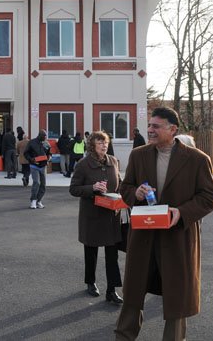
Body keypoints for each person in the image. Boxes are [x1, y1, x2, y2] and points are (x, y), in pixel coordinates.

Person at [115, 107, 213, 341]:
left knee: (177, 298)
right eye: (149, 125)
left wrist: (180, 213)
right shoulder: (138, 155)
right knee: (133, 293)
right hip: (143, 236)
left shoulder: (197, 160)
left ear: (173, 129)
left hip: (177, 238)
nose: (150, 130)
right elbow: (125, 188)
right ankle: (123, 336)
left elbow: (209, 198)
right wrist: (136, 193)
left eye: (156, 126)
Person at [69, 131, 124, 306]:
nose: (104, 145)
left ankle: (111, 290)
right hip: (92, 215)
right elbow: (74, 189)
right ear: (92, 145)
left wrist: (122, 194)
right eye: (100, 142)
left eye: (106, 142)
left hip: (111, 216)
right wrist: (92, 188)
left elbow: (120, 182)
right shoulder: (83, 164)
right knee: (91, 252)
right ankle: (91, 282)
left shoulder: (113, 161)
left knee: (112, 255)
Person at [24, 129, 51, 209]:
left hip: (43, 166)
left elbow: (49, 153)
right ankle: (33, 200)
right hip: (34, 165)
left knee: (43, 185)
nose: (45, 137)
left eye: (46, 136)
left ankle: (39, 201)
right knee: (36, 182)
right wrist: (31, 159)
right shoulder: (32, 142)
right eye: (44, 136)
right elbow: (26, 153)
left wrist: (49, 157)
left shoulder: (46, 143)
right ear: (40, 135)